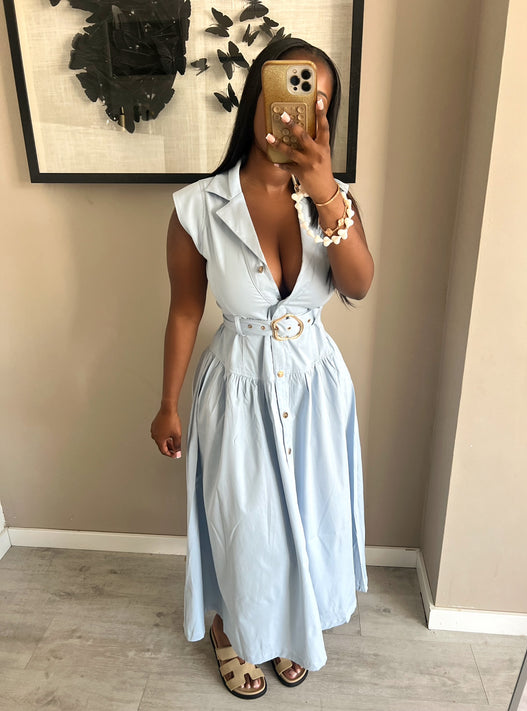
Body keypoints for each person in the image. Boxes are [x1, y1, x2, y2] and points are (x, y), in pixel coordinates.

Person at [151, 37, 374, 700]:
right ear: (258, 97)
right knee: (245, 525)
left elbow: (359, 285)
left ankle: (290, 626)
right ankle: (230, 627)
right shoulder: (197, 207)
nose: (297, 114)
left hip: (314, 388)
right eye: (290, 93)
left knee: (309, 514)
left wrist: (324, 190)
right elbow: (185, 310)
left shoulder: (334, 201)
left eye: (317, 103)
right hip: (237, 389)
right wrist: (167, 403)